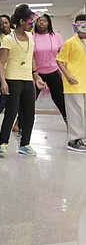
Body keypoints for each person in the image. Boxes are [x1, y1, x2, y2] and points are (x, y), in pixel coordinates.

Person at [0, 4, 47, 157]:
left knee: (30, 114)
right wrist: (3, 81)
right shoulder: (8, 39)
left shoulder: (31, 37)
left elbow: (31, 57)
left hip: (27, 80)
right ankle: (3, 143)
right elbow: (0, 62)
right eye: (31, 22)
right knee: (11, 113)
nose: (33, 24)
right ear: (22, 21)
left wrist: (36, 76)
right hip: (12, 79)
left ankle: (25, 144)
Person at [56, 14, 86, 152]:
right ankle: (74, 140)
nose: (81, 29)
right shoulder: (70, 42)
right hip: (73, 83)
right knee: (76, 112)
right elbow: (59, 60)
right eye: (78, 25)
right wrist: (67, 75)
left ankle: (82, 138)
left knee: (83, 112)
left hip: (84, 82)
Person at [33, 13, 67, 124]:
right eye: (39, 21)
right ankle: (19, 123)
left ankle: (68, 122)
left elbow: (62, 54)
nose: (41, 23)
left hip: (54, 71)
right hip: (37, 74)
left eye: (44, 21)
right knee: (30, 99)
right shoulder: (32, 38)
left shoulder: (56, 36)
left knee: (59, 99)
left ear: (49, 23)